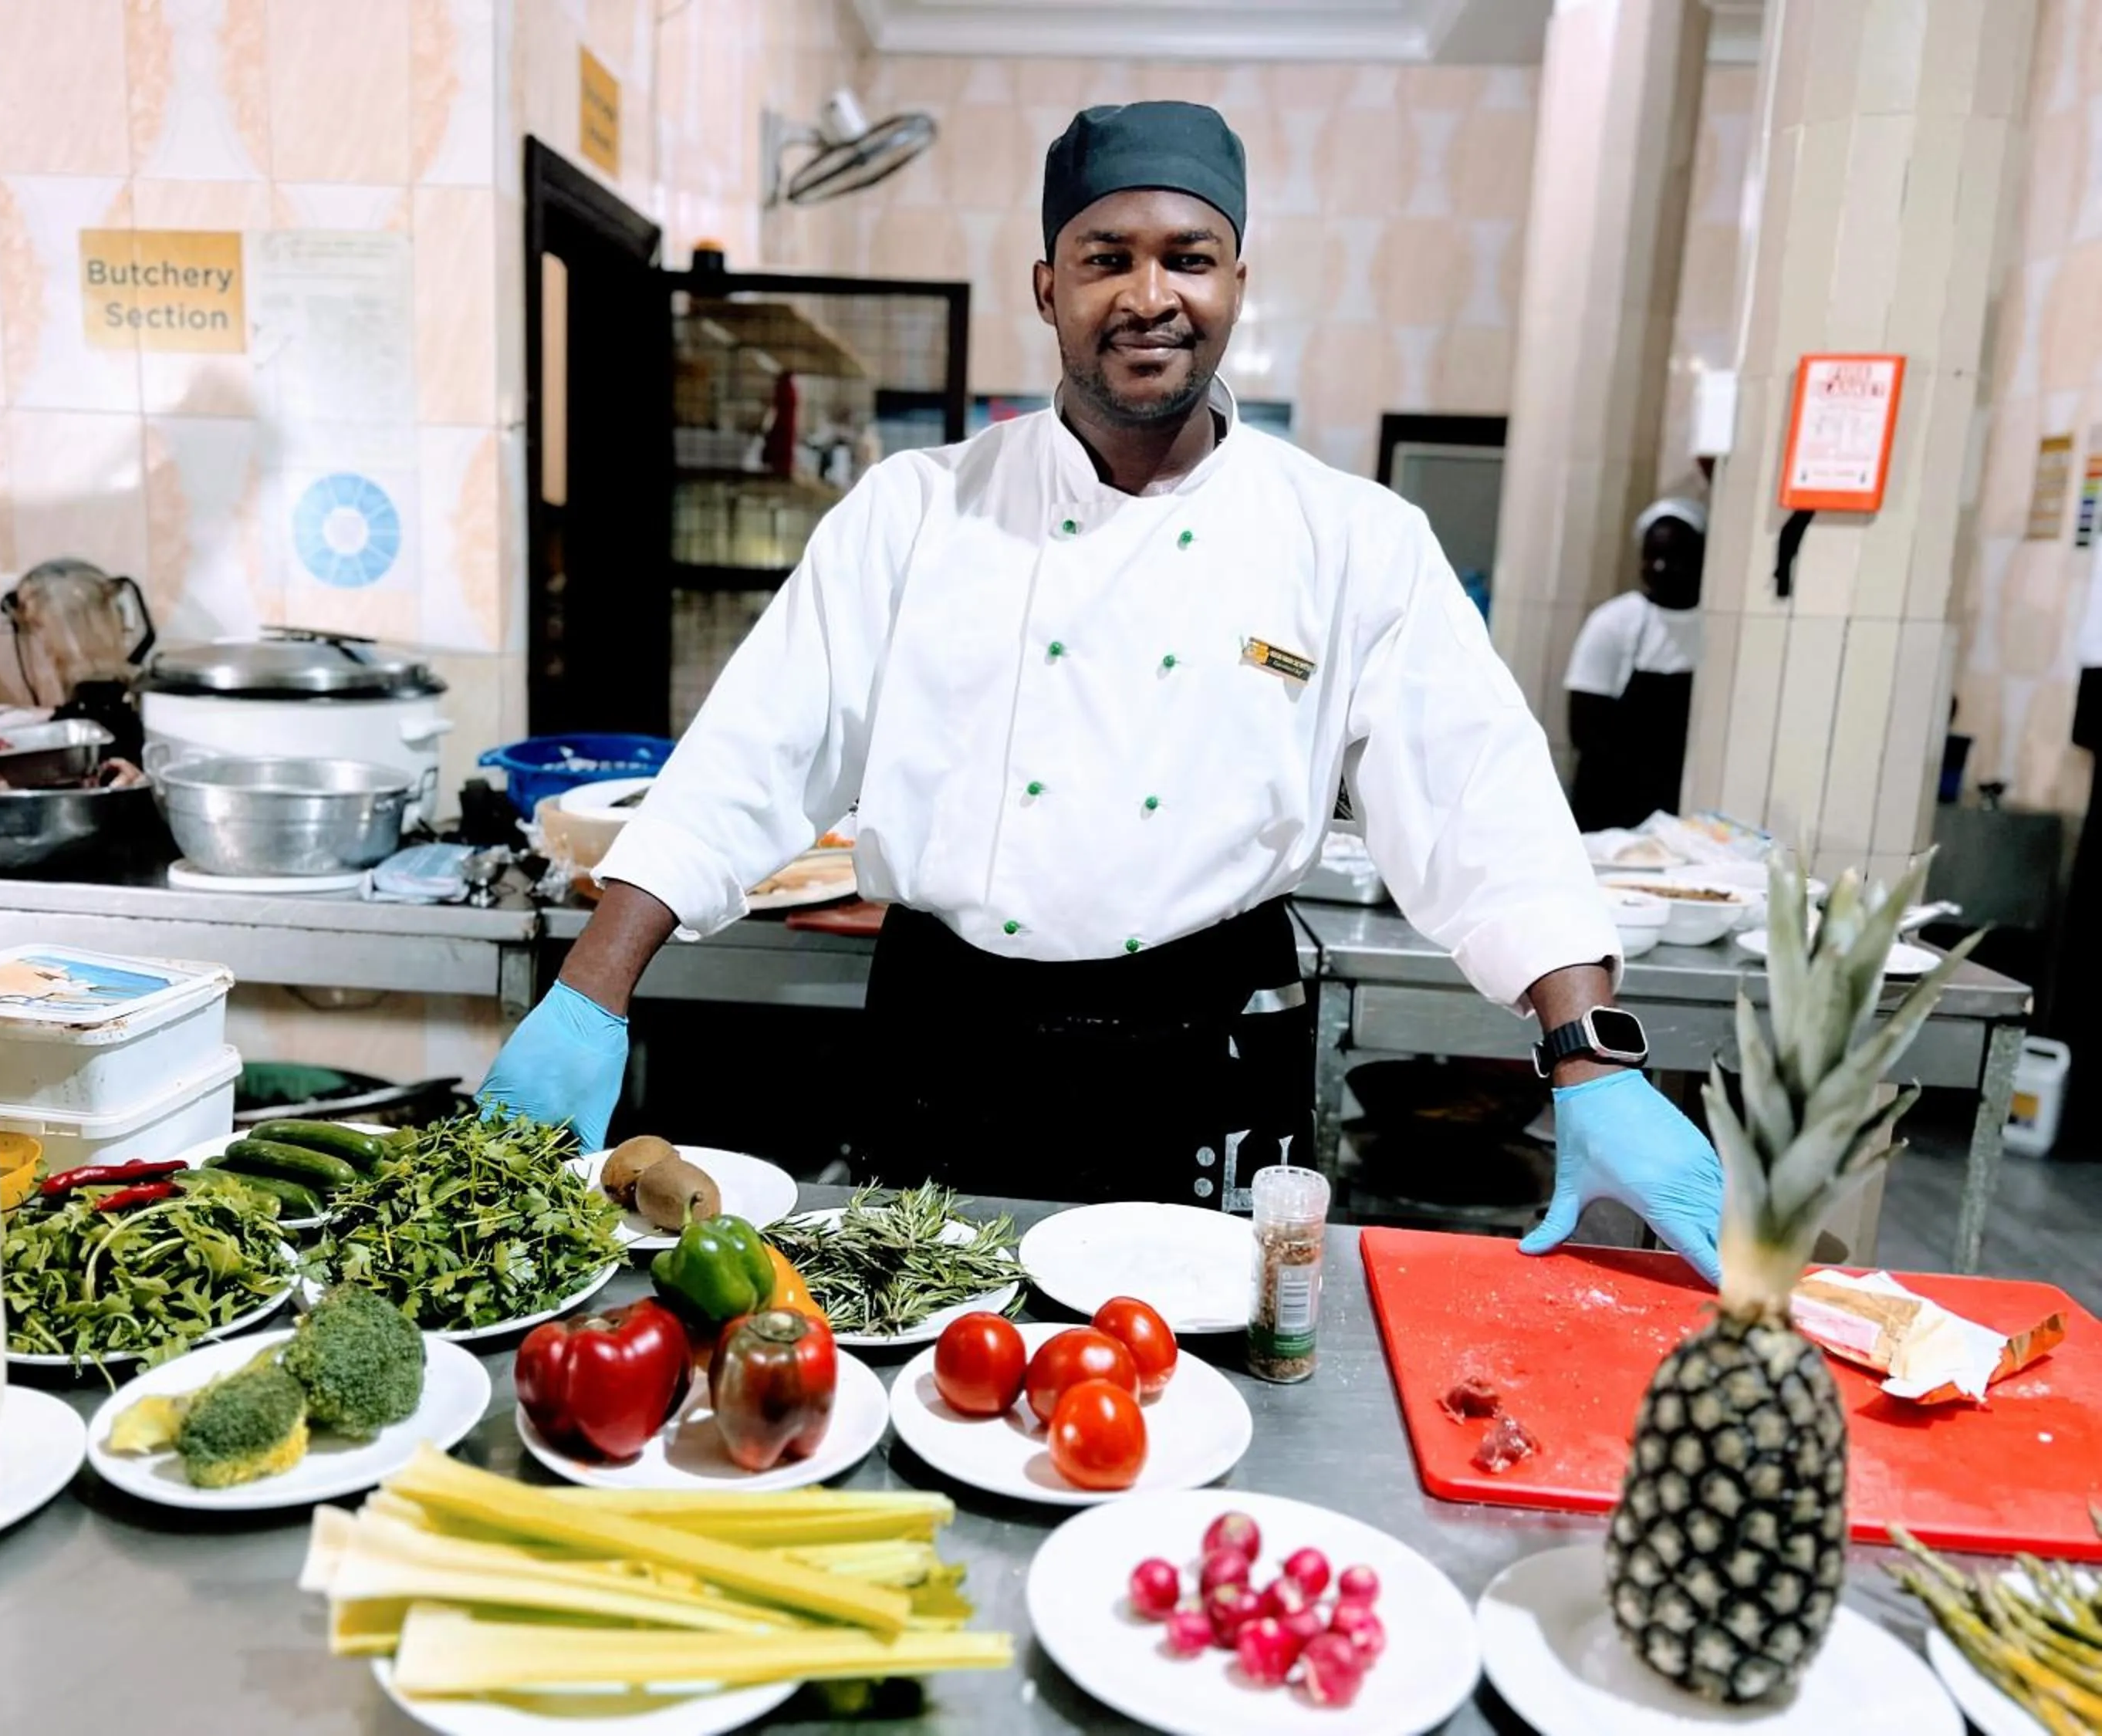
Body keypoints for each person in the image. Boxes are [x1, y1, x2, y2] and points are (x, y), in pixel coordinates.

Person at [485, 101, 1725, 1282]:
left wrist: (1589, 1056)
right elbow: (749, 756)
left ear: (1238, 281)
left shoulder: (1352, 540)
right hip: (944, 1039)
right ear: (1047, 287)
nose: (1149, 296)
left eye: (1189, 256)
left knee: (1205, 1407)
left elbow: (1480, 800)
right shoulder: (916, 513)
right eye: (1104, 257)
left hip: (1211, 1046)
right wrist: (588, 993)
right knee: (931, 1377)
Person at [1564, 495, 1707, 833]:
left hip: (1678, 803)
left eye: (1673, 557)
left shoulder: (1715, 627)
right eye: (1651, 556)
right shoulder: (1615, 621)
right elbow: (1582, 727)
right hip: (1608, 801)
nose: (1659, 568)